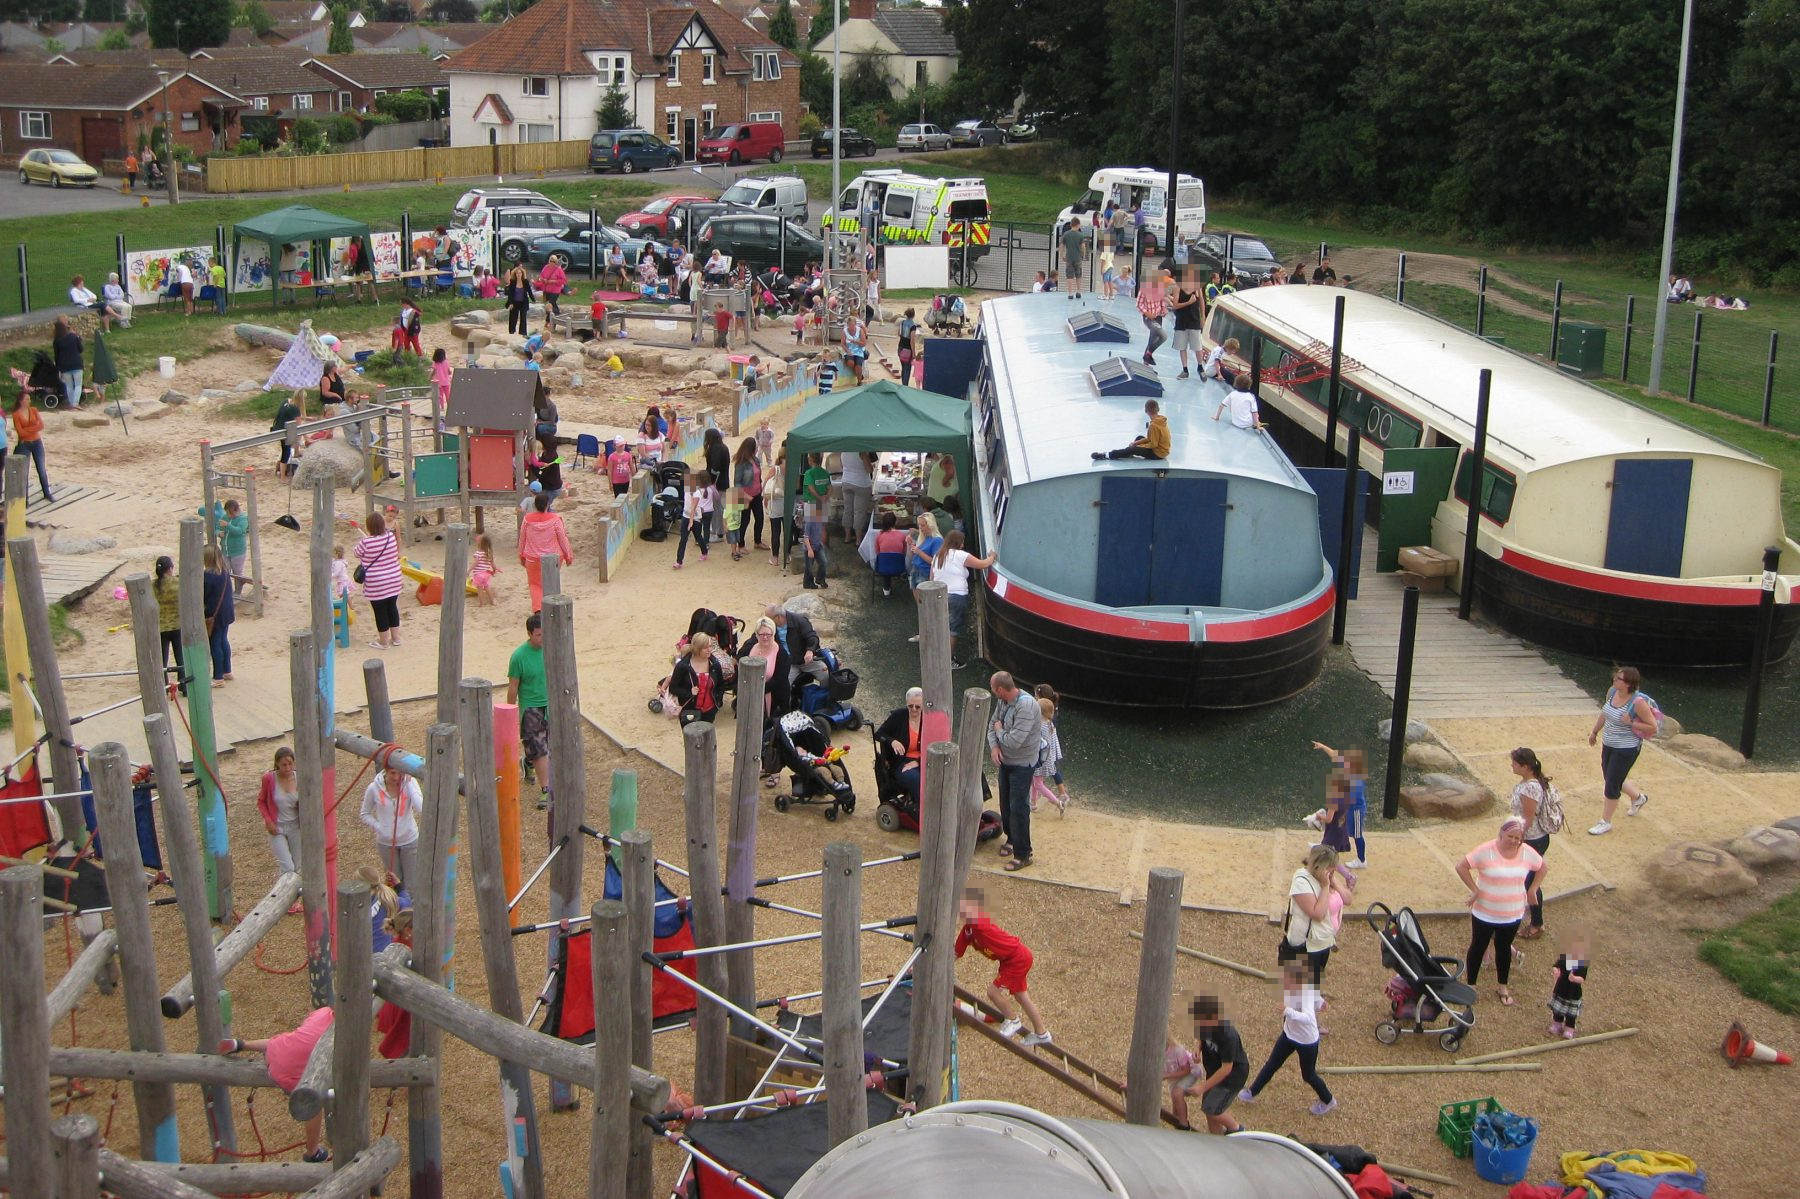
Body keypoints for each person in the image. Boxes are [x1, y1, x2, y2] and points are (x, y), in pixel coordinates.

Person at [219, 1009, 335, 1162]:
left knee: (283, 1041)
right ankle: (312, 1151)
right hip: (286, 1072)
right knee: (314, 1100)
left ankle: (241, 1044)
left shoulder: (323, 1012)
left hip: (277, 1050)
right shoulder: (342, 1035)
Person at [1456, 817, 1547, 1005]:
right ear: (1501, 833)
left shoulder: (1526, 853)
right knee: (1478, 947)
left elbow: (1542, 868)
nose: (1514, 841)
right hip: (1485, 912)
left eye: (1518, 838)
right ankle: (1471, 985)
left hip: (1512, 913)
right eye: (1510, 836)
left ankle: (1502, 985)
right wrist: (1475, 889)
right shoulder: (1486, 851)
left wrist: (1532, 890)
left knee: (1504, 948)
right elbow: (1461, 866)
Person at [955, 889, 1051, 1046]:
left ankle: (1013, 1020)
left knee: (992, 991)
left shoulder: (981, 924)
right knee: (1021, 996)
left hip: (1017, 958)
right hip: (1011, 960)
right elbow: (956, 952)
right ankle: (1042, 1033)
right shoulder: (968, 931)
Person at [1239, 963, 1335, 1116]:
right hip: (1289, 1034)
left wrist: (1288, 1011)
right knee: (1272, 1064)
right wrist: (1321, 1004)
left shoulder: (1305, 995)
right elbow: (1318, 1001)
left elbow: (1309, 1018)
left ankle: (1328, 1100)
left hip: (1306, 1041)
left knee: (1308, 1075)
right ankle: (1252, 1092)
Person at [1587, 665, 1655, 835]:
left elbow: (1652, 727)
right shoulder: (1612, 693)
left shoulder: (1637, 703)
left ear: (1628, 684)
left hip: (1626, 748)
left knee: (1611, 784)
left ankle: (1605, 821)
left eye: (1619, 679)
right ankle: (1638, 798)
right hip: (1609, 743)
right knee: (1611, 776)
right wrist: (1595, 731)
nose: (1615, 680)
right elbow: (1604, 713)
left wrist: (1631, 722)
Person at [1168, 993, 1248, 1133]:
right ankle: (1215, 1140)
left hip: (1231, 1077)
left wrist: (1202, 1087)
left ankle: (1237, 1129)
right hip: (1213, 1071)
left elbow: (1227, 1068)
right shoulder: (1203, 1023)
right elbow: (1201, 1037)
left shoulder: (1227, 1035)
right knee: (1208, 1108)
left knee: (1212, 1110)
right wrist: (1198, 1049)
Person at [989, 671, 1043, 872]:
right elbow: (992, 724)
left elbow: (1014, 741)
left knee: (1019, 807)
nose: (994, 693)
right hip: (1006, 761)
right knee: (1005, 803)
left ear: (1001, 690)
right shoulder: (1002, 702)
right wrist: (994, 746)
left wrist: (999, 731)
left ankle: (1023, 853)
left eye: (994, 690)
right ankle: (1012, 838)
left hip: (1022, 764)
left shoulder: (1026, 706)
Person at [1509, 747, 1561, 939]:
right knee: (1528, 880)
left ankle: (1537, 923)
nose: (1512, 766)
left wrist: (1516, 839)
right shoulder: (1529, 782)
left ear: (1525, 766)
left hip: (1531, 840)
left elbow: (1528, 818)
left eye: (1515, 763)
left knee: (1530, 883)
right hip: (1532, 838)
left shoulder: (1530, 787)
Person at [1281, 844, 1350, 984]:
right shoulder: (1302, 881)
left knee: (1313, 986)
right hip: (1306, 946)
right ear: (1321, 867)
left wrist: (1334, 883)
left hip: (1324, 942)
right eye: (1332, 867)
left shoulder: (1328, 877)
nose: (1334, 870)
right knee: (1298, 991)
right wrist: (1325, 887)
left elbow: (1348, 899)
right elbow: (1317, 914)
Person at [507, 613, 551, 808]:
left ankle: (528, 762)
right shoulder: (518, 657)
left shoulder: (551, 649)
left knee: (547, 746)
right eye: (539, 635)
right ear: (529, 634)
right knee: (540, 748)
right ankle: (546, 790)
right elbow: (513, 687)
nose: (543, 638)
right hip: (531, 708)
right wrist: (511, 713)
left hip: (550, 704)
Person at [360, 763, 423, 890]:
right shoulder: (374, 788)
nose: (396, 777)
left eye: (400, 773)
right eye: (392, 773)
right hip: (386, 844)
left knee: (413, 884)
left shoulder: (410, 784)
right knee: (394, 883)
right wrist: (380, 827)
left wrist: (409, 783)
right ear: (386, 771)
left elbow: (420, 807)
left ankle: (412, 909)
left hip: (410, 840)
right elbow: (364, 814)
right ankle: (395, 908)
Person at [354, 512, 403, 649]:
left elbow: (356, 553)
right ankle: (396, 638)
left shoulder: (366, 542)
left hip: (377, 583)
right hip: (394, 578)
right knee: (392, 607)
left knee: (380, 611)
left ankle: (383, 641)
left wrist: (368, 540)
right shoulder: (390, 537)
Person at [257, 747, 303, 884]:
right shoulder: (269, 779)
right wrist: (268, 820)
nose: (287, 768)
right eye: (284, 765)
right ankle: (285, 896)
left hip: (295, 825)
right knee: (287, 867)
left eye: (290, 764)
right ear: (277, 764)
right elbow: (261, 801)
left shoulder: (299, 778)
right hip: (277, 827)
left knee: (298, 866)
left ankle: (296, 900)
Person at [518, 493, 573, 608]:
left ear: (535, 505)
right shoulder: (556, 519)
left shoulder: (527, 520)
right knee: (551, 583)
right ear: (548, 504)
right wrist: (568, 555)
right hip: (553, 558)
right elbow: (562, 538)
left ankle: (538, 609)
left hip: (533, 558)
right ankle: (552, 607)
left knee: (535, 585)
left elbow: (522, 538)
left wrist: (521, 555)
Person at [875, 687, 926, 808]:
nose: (913, 709)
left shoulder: (928, 719)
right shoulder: (899, 716)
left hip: (925, 760)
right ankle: (921, 810)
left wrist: (918, 762)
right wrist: (892, 741)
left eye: (918, 707)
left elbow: (936, 744)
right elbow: (878, 734)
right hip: (901, 762)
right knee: (917, 779)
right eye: (910, 706)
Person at [740, 616, 793, 720]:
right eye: (762, 634)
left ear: (773, 634)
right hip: (751, 695)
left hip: (774, 698)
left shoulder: (781, 654)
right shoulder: (750, 647)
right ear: (756, 635)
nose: (765, 637)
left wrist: (758, 690)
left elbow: (780, 680)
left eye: (768, 634)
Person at [764, 603, 827, 690]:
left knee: (826, 675)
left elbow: (812, 637)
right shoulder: (769, 626)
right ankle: (788, 703)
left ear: (778, 617)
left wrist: (810, 650)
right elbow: (756, 637)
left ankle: (823, 699)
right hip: (788, 663)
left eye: (769, 619)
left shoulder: (799, 620)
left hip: (806, 660)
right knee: (782, 687)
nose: (767, 621)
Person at [669, 631, 726, 725]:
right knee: (691, 738)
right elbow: (673, 688)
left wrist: (718, 702)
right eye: (705, 647)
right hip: (689, 712)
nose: (709, 650)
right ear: (697, 649)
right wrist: (689, 692)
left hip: (709, 711)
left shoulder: (715, 664)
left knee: (707, 738)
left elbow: (720, 685)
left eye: (710, 646)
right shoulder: (683, 666)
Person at [1092, 398, 1172, 461]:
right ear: (1158, 409)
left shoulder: (1153, 425)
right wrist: (1136, 443)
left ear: (1146, 411)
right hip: (1162, 450)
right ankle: (1128, 452)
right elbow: (1150, 439)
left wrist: (1138, 446)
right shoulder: (1161, 420)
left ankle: (1107, 455)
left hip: (1158, 454)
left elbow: (1153, 444)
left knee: (1133, 449)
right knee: (1139, 438)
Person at [1028, 693, 1068, 814]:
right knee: (1035, 782)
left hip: (1039, 760)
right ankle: (1033, 803)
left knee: (1038, 784)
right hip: (1047, 759)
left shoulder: (1040, 726)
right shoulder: (1050, 724)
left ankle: (1057, 803)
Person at [1548, 927, 1590, 1039]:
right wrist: (1556, 970)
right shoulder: (1564, 957)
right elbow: (1556, 965)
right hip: (1561, 988)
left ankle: (1569, 1028)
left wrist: (1575, 978)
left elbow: (1582, 978)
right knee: (1557, 1010)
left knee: (1571, 1015)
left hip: (1573, 992)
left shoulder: (1582, 962)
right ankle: (1557, 1024)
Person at [12, 388, 53, 500]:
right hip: (24, 443)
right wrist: (33, 429)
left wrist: (28, 429)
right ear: (21, 401)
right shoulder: (16, 414)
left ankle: (47, 493)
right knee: (23, 472)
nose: (29, 401)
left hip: (36, 442)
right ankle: (24, 498)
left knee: (41, 468)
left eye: (29, 399)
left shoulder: (34, 410)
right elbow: (20, 432)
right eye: (27, 399)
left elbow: (41, 425)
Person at [1168, 268, 1207, 378]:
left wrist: (1203, 315)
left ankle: (1200, 367)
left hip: (1194, 320)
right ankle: (1185, 369)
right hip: (1181, 320)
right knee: (1182, 346)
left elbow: (1201, 301)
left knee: (1197, 345)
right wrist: (1188, 302)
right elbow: (1175, 305)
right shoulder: (1177, 287)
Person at [801, 452, 831, 589]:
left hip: (813, 502)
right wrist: (825, 497)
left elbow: (810, 488)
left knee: (810, 527)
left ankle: (814, 551)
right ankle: (821, 548)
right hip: (822, 502)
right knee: (821, 527)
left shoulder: (809, 473)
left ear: (811, 459)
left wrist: (819, 497)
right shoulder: (825, 472)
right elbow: (831, 488)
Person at [153, 556, 182, 693]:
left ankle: (163, 686)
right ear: (170, 568)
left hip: (160, 626)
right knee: (180, 658)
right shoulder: (178, 583)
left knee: (162, 660)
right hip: (177, 624)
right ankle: (184, 685)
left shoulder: (152, 586)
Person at [675, 468, 713, 569]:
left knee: (698, 537)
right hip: (686, 517)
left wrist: (691, 521)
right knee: (683, 539)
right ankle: (679, 561)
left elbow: (693, 508)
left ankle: (704, 552)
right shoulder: (687, 489)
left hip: (695, 519)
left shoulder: (697, 493)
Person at [733, 436, 765, 555]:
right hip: (745, 496)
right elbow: (737, 483)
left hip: (756, 494)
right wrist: (745, 496)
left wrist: (761, 490)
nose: (757, 449)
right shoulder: (741, 463)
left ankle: (758, 541)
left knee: (760, 518)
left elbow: (759, 477)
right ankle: (741, 545)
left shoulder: (755, 460)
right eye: (755, 447)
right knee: (745, 521)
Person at [838, 450, 874, 546]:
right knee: (859, 512)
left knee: (847, 510)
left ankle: (847, 536)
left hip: (846, 482)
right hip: (861, 484)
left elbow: (842, 466)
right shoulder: (862, 452)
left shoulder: (844, 451)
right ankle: (858, 539)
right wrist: (871, 466)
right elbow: (869, 470)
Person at [217, 498, 251, 597]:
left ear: (236, 510)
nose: (228, 515)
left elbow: (239, 531)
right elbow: (218, 527)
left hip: (238, 552)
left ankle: (237, 593)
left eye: (230, 513)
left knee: (237, 573)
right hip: (225, 551)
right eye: (227, 513)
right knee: (225, 571)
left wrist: (227, 525)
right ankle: (227, 592)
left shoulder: (243, 519)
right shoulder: (225, 517)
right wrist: (219, 533)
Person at [1138, 267, 1171, 365]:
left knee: (1153, 338)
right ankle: (1148, 355)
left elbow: (1161, 301)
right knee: (1163, 336)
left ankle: (1146, 359)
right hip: (1149, 317)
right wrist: (1148, 313)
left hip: (1158, 316)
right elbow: (1139, 304)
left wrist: (1163, 309)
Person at [872, 512, 910, 597]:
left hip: (883, 567)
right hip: (899, 567)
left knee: (885, 567)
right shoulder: (902, 535)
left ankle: (886, 591)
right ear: (895, 522)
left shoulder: (879, 536)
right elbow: (904, 552)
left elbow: (877, 552)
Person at [907, 510, 942, 600]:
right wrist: (910, 545)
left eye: (923, 525)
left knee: (925, 601)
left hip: (925, 572)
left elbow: (935, 561)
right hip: (915, 569)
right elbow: (912, 556)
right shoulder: (924, 538)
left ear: (930, 525)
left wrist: (919, 552)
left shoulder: (937, 540)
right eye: (919, 525)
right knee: (918, 600)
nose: (920, 528)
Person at [703, 428, 731, 539]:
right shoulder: (723, 447)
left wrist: (710, 481)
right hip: (723, 482)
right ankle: (719, 530)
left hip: (716, 483)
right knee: (720, 508)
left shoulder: (715, 449)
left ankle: (718, 532)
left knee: (716, 508)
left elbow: (715, 469)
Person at [51, 316, 83, 410]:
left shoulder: (57, 341)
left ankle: (72, 403)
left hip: (64, 366)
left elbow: (56, 356)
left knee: (69, 386)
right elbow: (80, 349)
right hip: (76, 364)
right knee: (78, 384)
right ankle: (75, 403)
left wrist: (58, 368)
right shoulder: (73, 336)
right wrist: (78, 338)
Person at [272, 391, 303, 481]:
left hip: (277, 427)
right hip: (285, 431)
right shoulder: (295, 408)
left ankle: (276, 470)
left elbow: (287, 415)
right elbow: (298, 424)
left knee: (284, 451)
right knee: (286, 453)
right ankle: (282, 477)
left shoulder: (286, 401)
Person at [1059, 216, 1090, 297]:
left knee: (1069, 276)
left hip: (1069, 258)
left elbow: (1062, 245)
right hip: (1078, 258)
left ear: (1071, 225)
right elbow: (1083, 247)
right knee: (1078, 275)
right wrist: (1083, 255)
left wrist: (1062, 255)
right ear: (1077, 224)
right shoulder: (1080, 235)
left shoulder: (1066, 234)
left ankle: (1070, 293)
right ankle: (1078, 291)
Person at [503, 265, 533, 335]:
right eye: (517, 273)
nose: (518, 274)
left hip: (523, 302)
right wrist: (510, 303)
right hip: (514, 302)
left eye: (520, 273)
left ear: (522, 274)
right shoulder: (512, 282)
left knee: (523, 318)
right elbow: (510, 294)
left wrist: (533, 299)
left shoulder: (525, 281)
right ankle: (512, 332)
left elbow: (529, 291)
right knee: (513, 318)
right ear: (515, 274)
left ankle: (523, 333)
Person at [536, 258, 567, 325]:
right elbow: (541, 276)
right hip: (546, 289)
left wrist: (553, 281)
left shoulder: (558, 269)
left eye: (553, 261)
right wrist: (543, 279)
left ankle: (549, 321)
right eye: (551, 261)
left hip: (555, 290)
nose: (552, 263)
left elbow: (563, 280)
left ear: (556, 262)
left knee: (551, 304)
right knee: (549, 305)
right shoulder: (546, 267)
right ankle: (556, 316)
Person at [471, 532, 499, 605]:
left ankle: (481, 603)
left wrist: (469, 570)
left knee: (479, 589)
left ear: (481, 543)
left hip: (478, 574)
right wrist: (495, 569)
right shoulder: (488, 553)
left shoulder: (478, 553)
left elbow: (475, 563)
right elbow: (492, 563)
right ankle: (492, 601)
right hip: (486, 574)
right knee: (487, 587)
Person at [896, 307, 919, 387]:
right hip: (907, 348)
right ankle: (905, 386)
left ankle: (903, 385)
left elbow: (899, 333)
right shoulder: (913, 325)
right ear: (913, 315)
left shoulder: (902, 322)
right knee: (908, 368)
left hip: (900, 346)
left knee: (903, 367)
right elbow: (912, 340)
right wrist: (914, 353)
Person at [843, 313, 869, 384]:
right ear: (848, 325)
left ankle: (859, 381)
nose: (852, 326)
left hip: (859, 350)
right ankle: (859, 374)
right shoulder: (845, 331)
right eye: (850, 325)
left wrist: (856, 341)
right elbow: (843, 343)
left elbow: (864, 343)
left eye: (853, 325)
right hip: (849, 351)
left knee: (858, 365)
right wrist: (847, 350)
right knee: (850, 363)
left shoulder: (859, 330)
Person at [430, 347, 453, 416]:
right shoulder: (446, 362)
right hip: (446, 382)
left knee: (440, 396)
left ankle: (442, 407)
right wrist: (449, 373)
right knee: (448, 395)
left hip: (438, 383)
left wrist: (429, 377)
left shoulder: (435, 363)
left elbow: (433, 372)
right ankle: (449, 407)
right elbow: (449, 372)